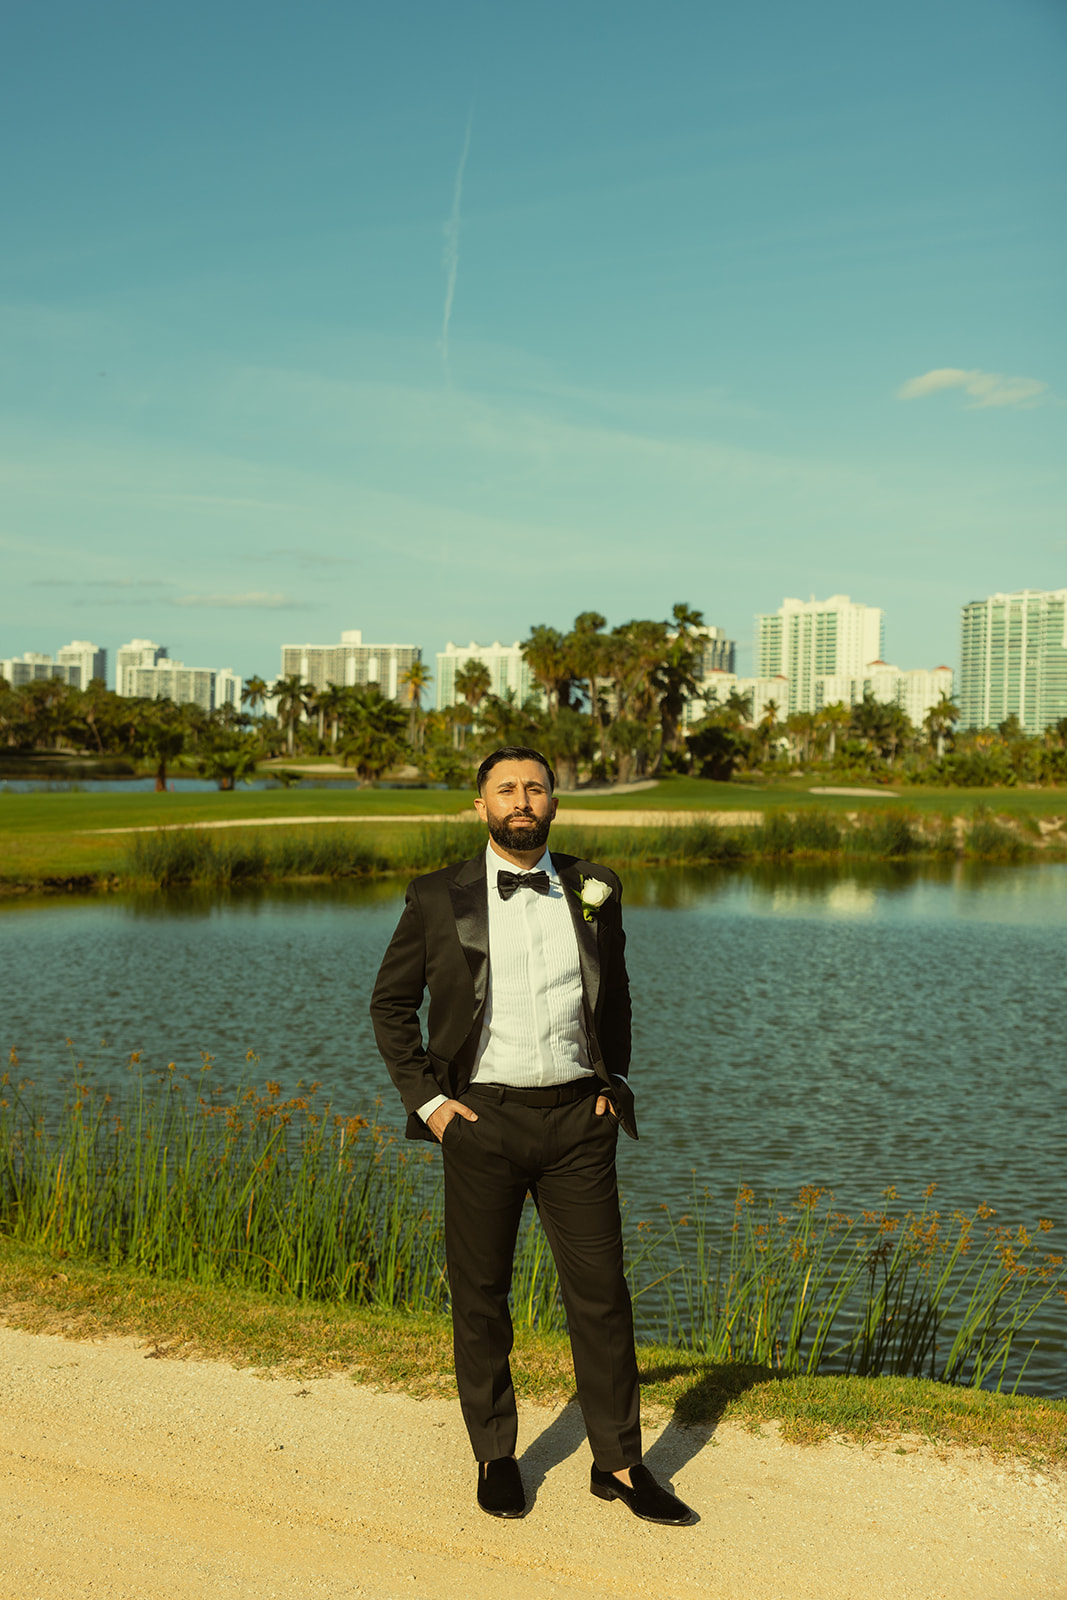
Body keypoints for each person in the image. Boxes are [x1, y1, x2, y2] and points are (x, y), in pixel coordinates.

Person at [370, 746, 693, 1525]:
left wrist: (613, 1085)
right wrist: (430, 1106)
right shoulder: (434, 897)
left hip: (580, 1123)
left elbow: (614, 994)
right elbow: (389, 1007)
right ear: (479, 805)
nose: (523, 800)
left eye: (536, 788)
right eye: (506, 789)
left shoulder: (595, 888)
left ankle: (617, 1462)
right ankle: (495, 1453)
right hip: (479, 1122)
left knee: (603, 1297)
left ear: (554, 802)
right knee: (481, 1296)